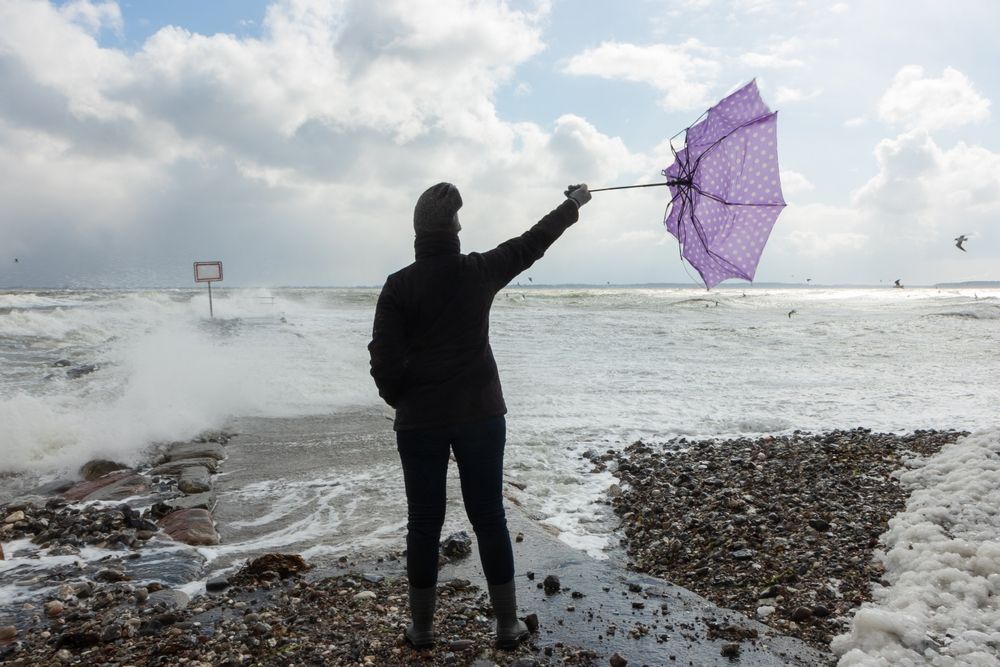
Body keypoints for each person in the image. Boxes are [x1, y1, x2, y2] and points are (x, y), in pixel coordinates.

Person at [368, 182, 590, 649]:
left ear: (416, 231)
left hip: (420, 421)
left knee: (424, 522)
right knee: (489, 516)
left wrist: (403, 398)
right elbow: (533, 242)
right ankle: (507, 626)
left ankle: (423, 630)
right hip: (481, 413)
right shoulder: (480, 270)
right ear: (456, 228)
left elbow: (383, 363)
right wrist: (572, 204)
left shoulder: (398, 285)